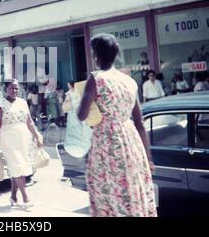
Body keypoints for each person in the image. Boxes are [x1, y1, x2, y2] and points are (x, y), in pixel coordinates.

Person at [77, 33, 156, 217]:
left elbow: (82, 115)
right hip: (131, 143)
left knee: (108, 191)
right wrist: (149, 158)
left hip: (107, 142)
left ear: (96, 55)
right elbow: (140, 123)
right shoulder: (129, 80)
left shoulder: (96, 79)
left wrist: (76, 98)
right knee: (130, 189)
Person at [0, 79, 43, 209]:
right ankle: (26, 198)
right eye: (11, 88)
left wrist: (37, 135)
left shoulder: (22, 102)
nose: (14, 91)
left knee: (19, 166)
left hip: (23, 138)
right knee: (17, 165)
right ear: (5, 89)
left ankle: (14, 196)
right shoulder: (0, 105)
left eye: (16, 88)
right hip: (7, 138)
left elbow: (29, 121)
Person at [63, 81, 92, 158]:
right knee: (79, 127)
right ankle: (82, 143)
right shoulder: (77, 91)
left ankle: (80, 143)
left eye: (69, 85)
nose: (68, 87)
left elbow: (67, 103)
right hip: (76, 112)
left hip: (75, 112)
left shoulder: (71, 93)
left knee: (77, 127)